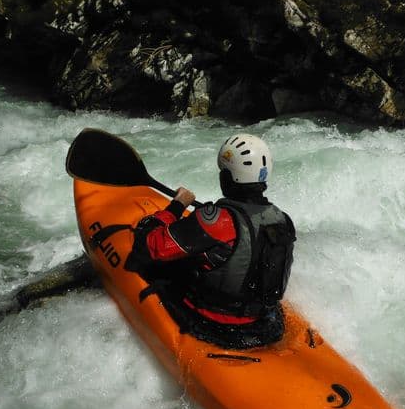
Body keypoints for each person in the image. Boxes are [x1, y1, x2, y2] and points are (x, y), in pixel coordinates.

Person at [125, 133, 296, 349]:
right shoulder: (283, 220)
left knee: (151, 265)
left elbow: (150, 245)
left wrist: (177, 206)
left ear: (227, 178)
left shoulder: (217, 221)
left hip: (213, 323)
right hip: (261, 321)